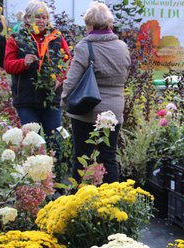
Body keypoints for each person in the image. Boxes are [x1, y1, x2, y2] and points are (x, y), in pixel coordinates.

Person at [62, 2, 130, 184]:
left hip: (88, 109)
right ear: (108, 24)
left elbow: (72, 79)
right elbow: (125, 74)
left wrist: (63, 100)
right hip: (114, 110)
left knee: (82, 157)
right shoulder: (122, 47)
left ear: (90, 25)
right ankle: (112, 201)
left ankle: (80, 200)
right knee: (109, 157)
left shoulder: (85, 47)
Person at [4, 0, 71, 139]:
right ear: (28, 18)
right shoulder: (16, 38)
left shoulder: (56, 38)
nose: (41, 21)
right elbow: (8, 65)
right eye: (37, 17)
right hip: (26, 99)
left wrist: (60, 78)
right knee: (32, 142)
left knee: (55, 140)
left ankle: (57, 161)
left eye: (44, 17)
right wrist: (23, 62)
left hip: (51, 98)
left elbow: (68, 63)